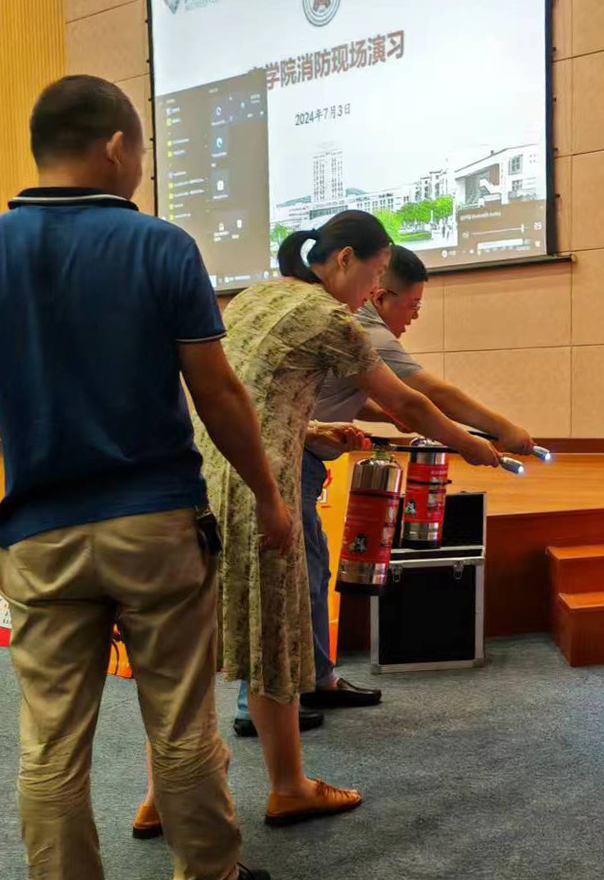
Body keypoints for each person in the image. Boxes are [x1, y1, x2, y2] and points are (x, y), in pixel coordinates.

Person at [0, 75, 288, 880]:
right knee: (179, 719)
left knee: (49, 742)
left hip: (40, 533)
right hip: (156, 525)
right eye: (141, 149)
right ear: (115, 146)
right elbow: (217, 392)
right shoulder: (160, 246)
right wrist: (267, 495)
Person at [167, 209, 501, 830]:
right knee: (273, 634)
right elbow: (407, 403)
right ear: (345, 260)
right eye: (376, 274)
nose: (375, 292)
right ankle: (290, 787)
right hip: (260, 487)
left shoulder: (255, 296)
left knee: (188, 643)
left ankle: (162, 795)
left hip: (203, 475)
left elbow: (248, 395)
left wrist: (313, 427)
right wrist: (472, 442)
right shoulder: (329, 317)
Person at [228, 244, 535, 734]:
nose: (413, 316)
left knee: (312, 569)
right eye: (412, 304)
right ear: (376, 289)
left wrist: (389, 417)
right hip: (281, 464)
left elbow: (352, 396)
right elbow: (426, 397)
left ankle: (317, 678)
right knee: (285, 577)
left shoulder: (334, 321)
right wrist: (495, 433)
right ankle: (257, 704)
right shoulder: (358, 327)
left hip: (302, 459)